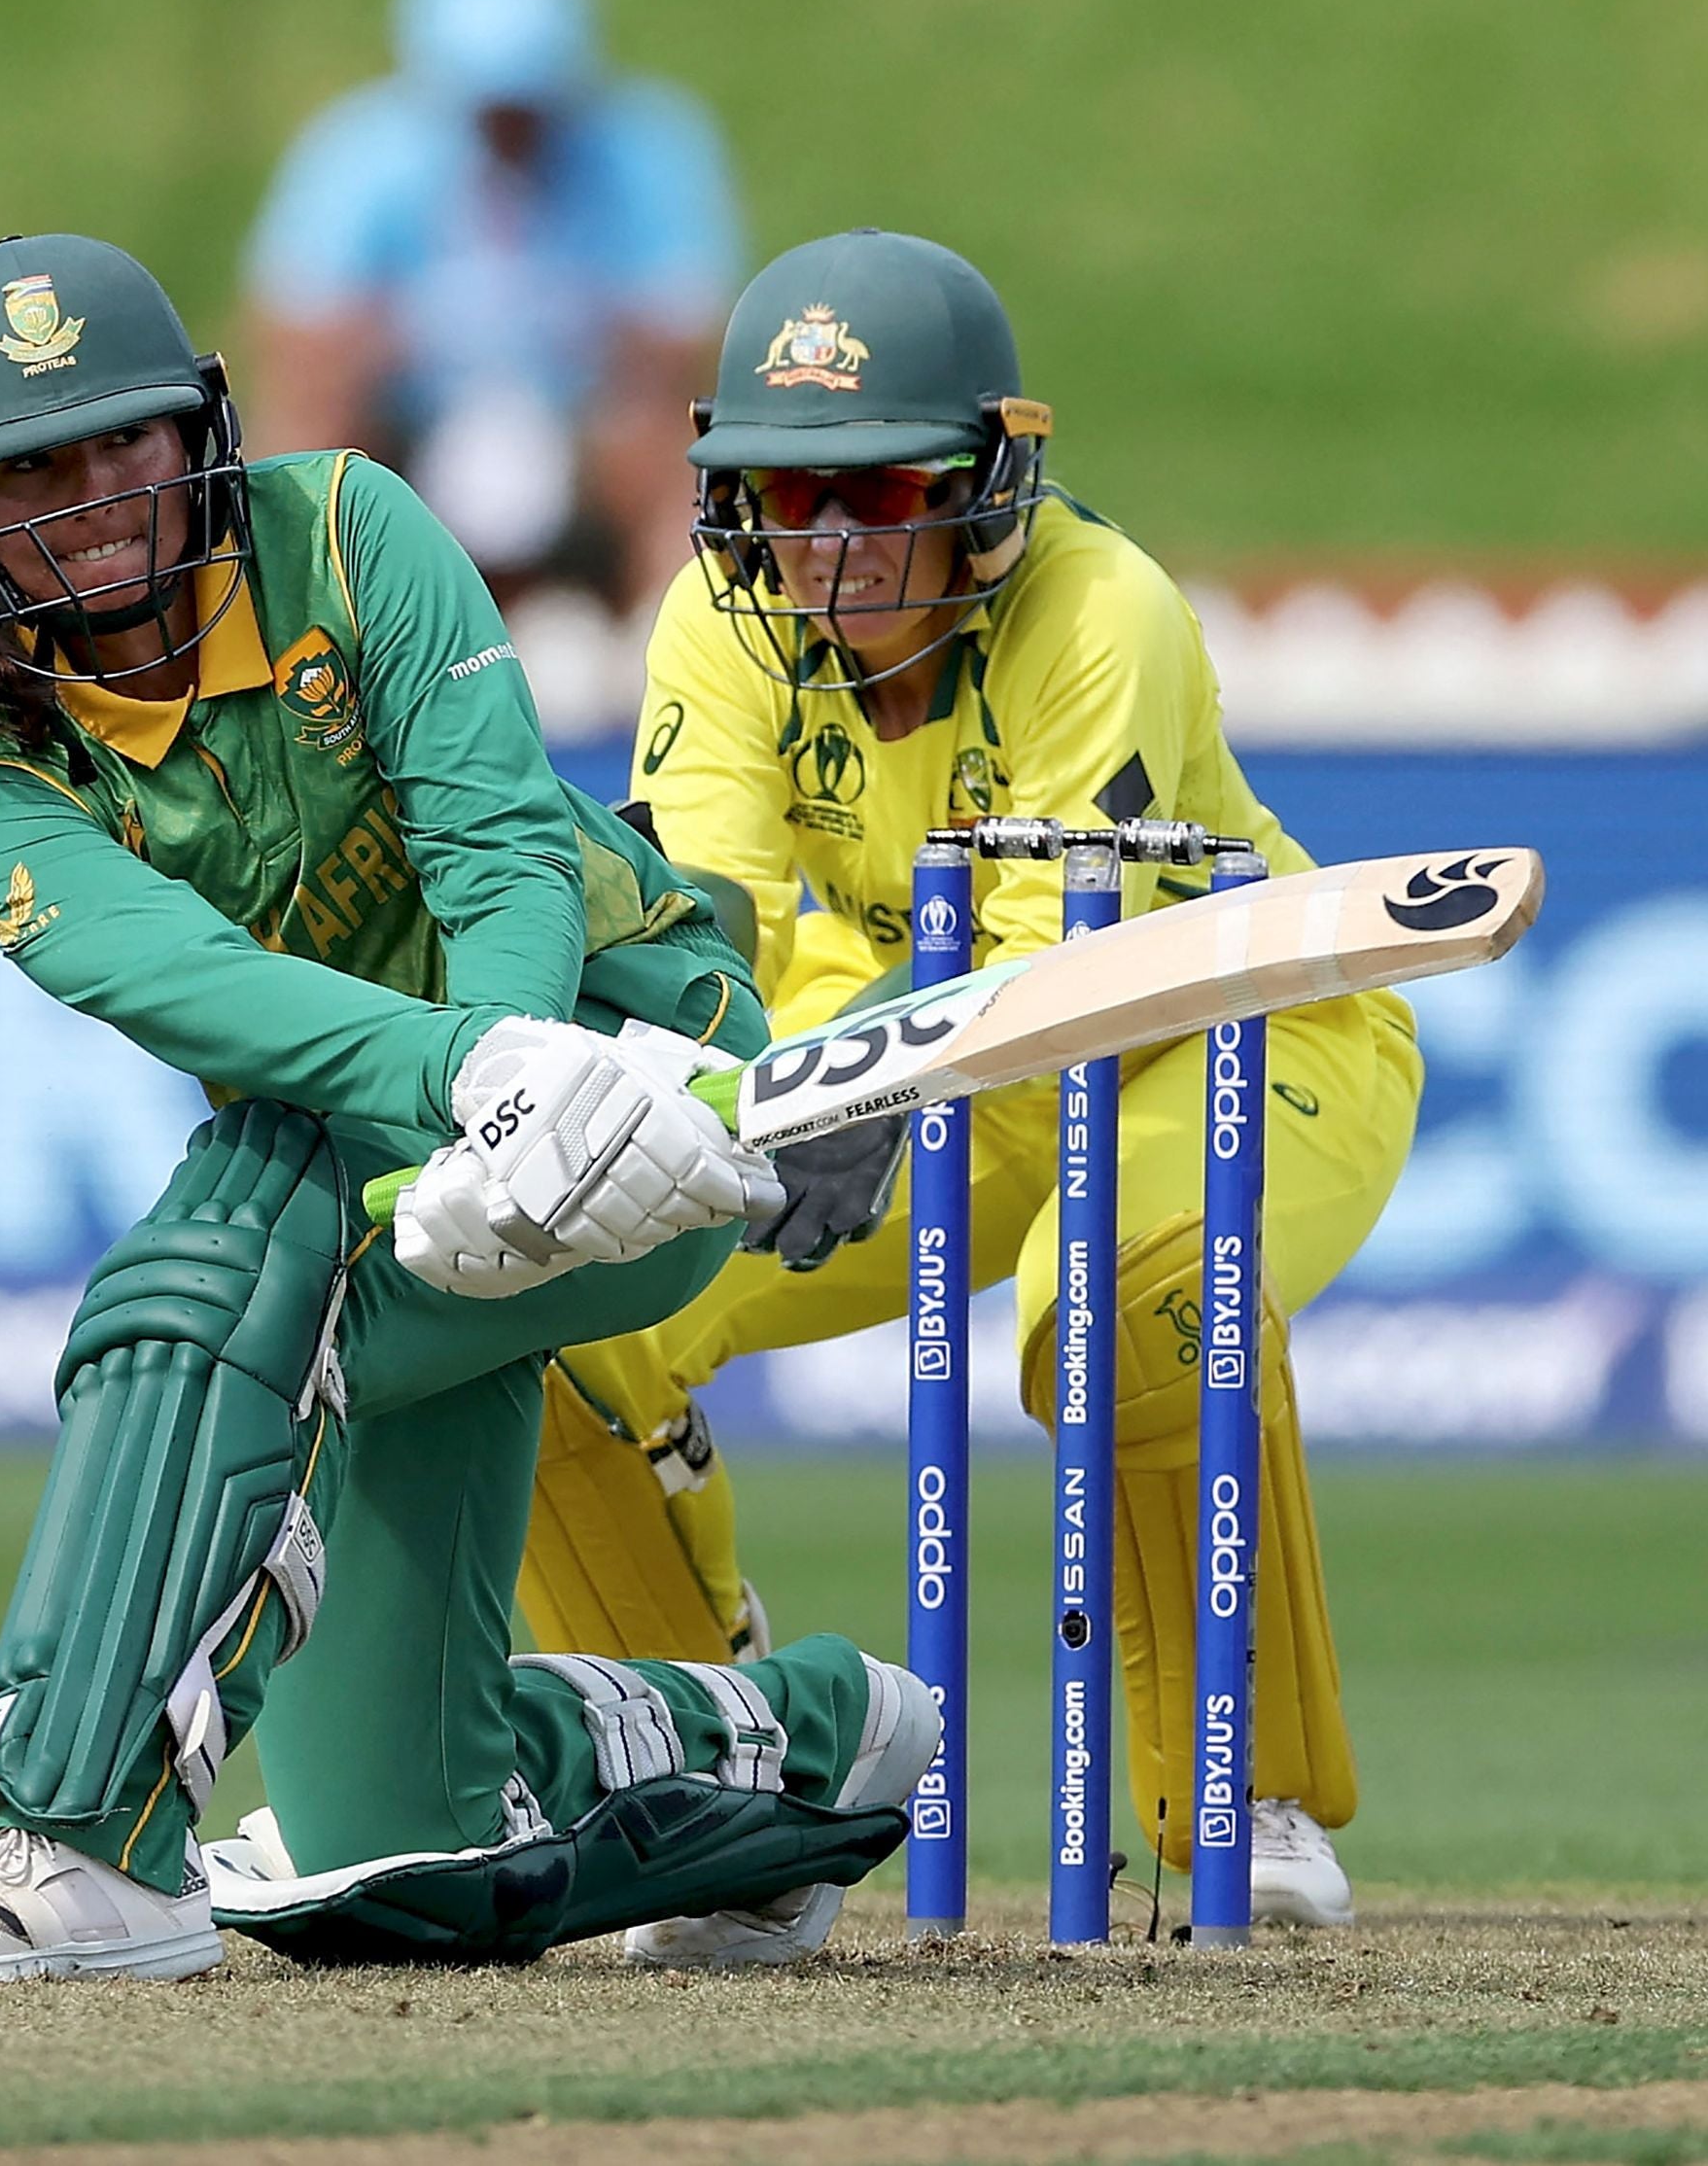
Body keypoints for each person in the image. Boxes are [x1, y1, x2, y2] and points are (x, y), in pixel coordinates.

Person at [0, 232, 934, 1979]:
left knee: (224, 1246)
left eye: (124, 443)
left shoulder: (347, 530)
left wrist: (513, 1080)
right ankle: (803, 1741)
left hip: (640, 1081)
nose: (92, 495)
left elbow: (497, 842)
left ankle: (73, 1829)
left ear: (202, 432)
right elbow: (203, 983)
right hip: (411, 1151)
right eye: (30, 465)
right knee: (396, 1853)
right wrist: (464, 1091)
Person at [520, 229, 1424, 1928]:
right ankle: (712, 1790)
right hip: (897, 1027)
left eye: (885, 489)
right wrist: (704, 1085)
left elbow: (1054, 969)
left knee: (1123, 1302)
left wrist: (878, 1081)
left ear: (989, 473)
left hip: (1222, 1031)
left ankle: (1246, 1792)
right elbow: (703, 907)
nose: (838, 543)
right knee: (563, 1314)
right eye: (793, 500)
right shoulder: (725, 611)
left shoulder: (1104, 613)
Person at [240, 0, 737, 611]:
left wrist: (574, 338)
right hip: (411, 422)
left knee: (673, 438)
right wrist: (404, 342)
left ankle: (670, 640)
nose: (510, 125)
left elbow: (685, 340)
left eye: (527, 101)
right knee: (303, 431)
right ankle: (292, 629)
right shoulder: (357, 153)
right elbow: (294, 335)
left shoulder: (647, 149)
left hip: (583, 419)